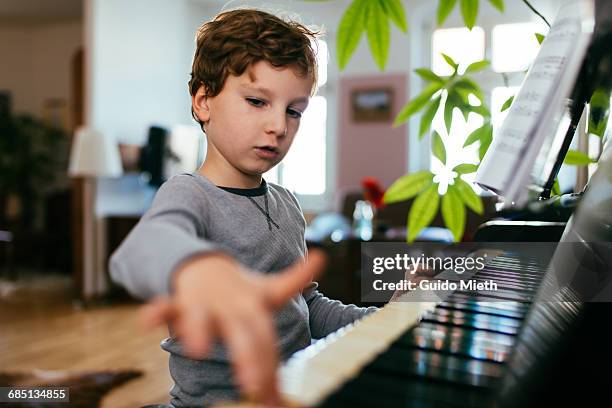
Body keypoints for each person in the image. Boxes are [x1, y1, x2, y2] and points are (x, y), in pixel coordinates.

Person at [109, 8, 376, 407]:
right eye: (256, 101)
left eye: (293, 111)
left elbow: (308, 309)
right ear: (203, 102)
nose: (278, 127)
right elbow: (141, 250)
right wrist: (195, 268)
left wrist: (384, 319)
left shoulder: (287, 204)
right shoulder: (189, 194)